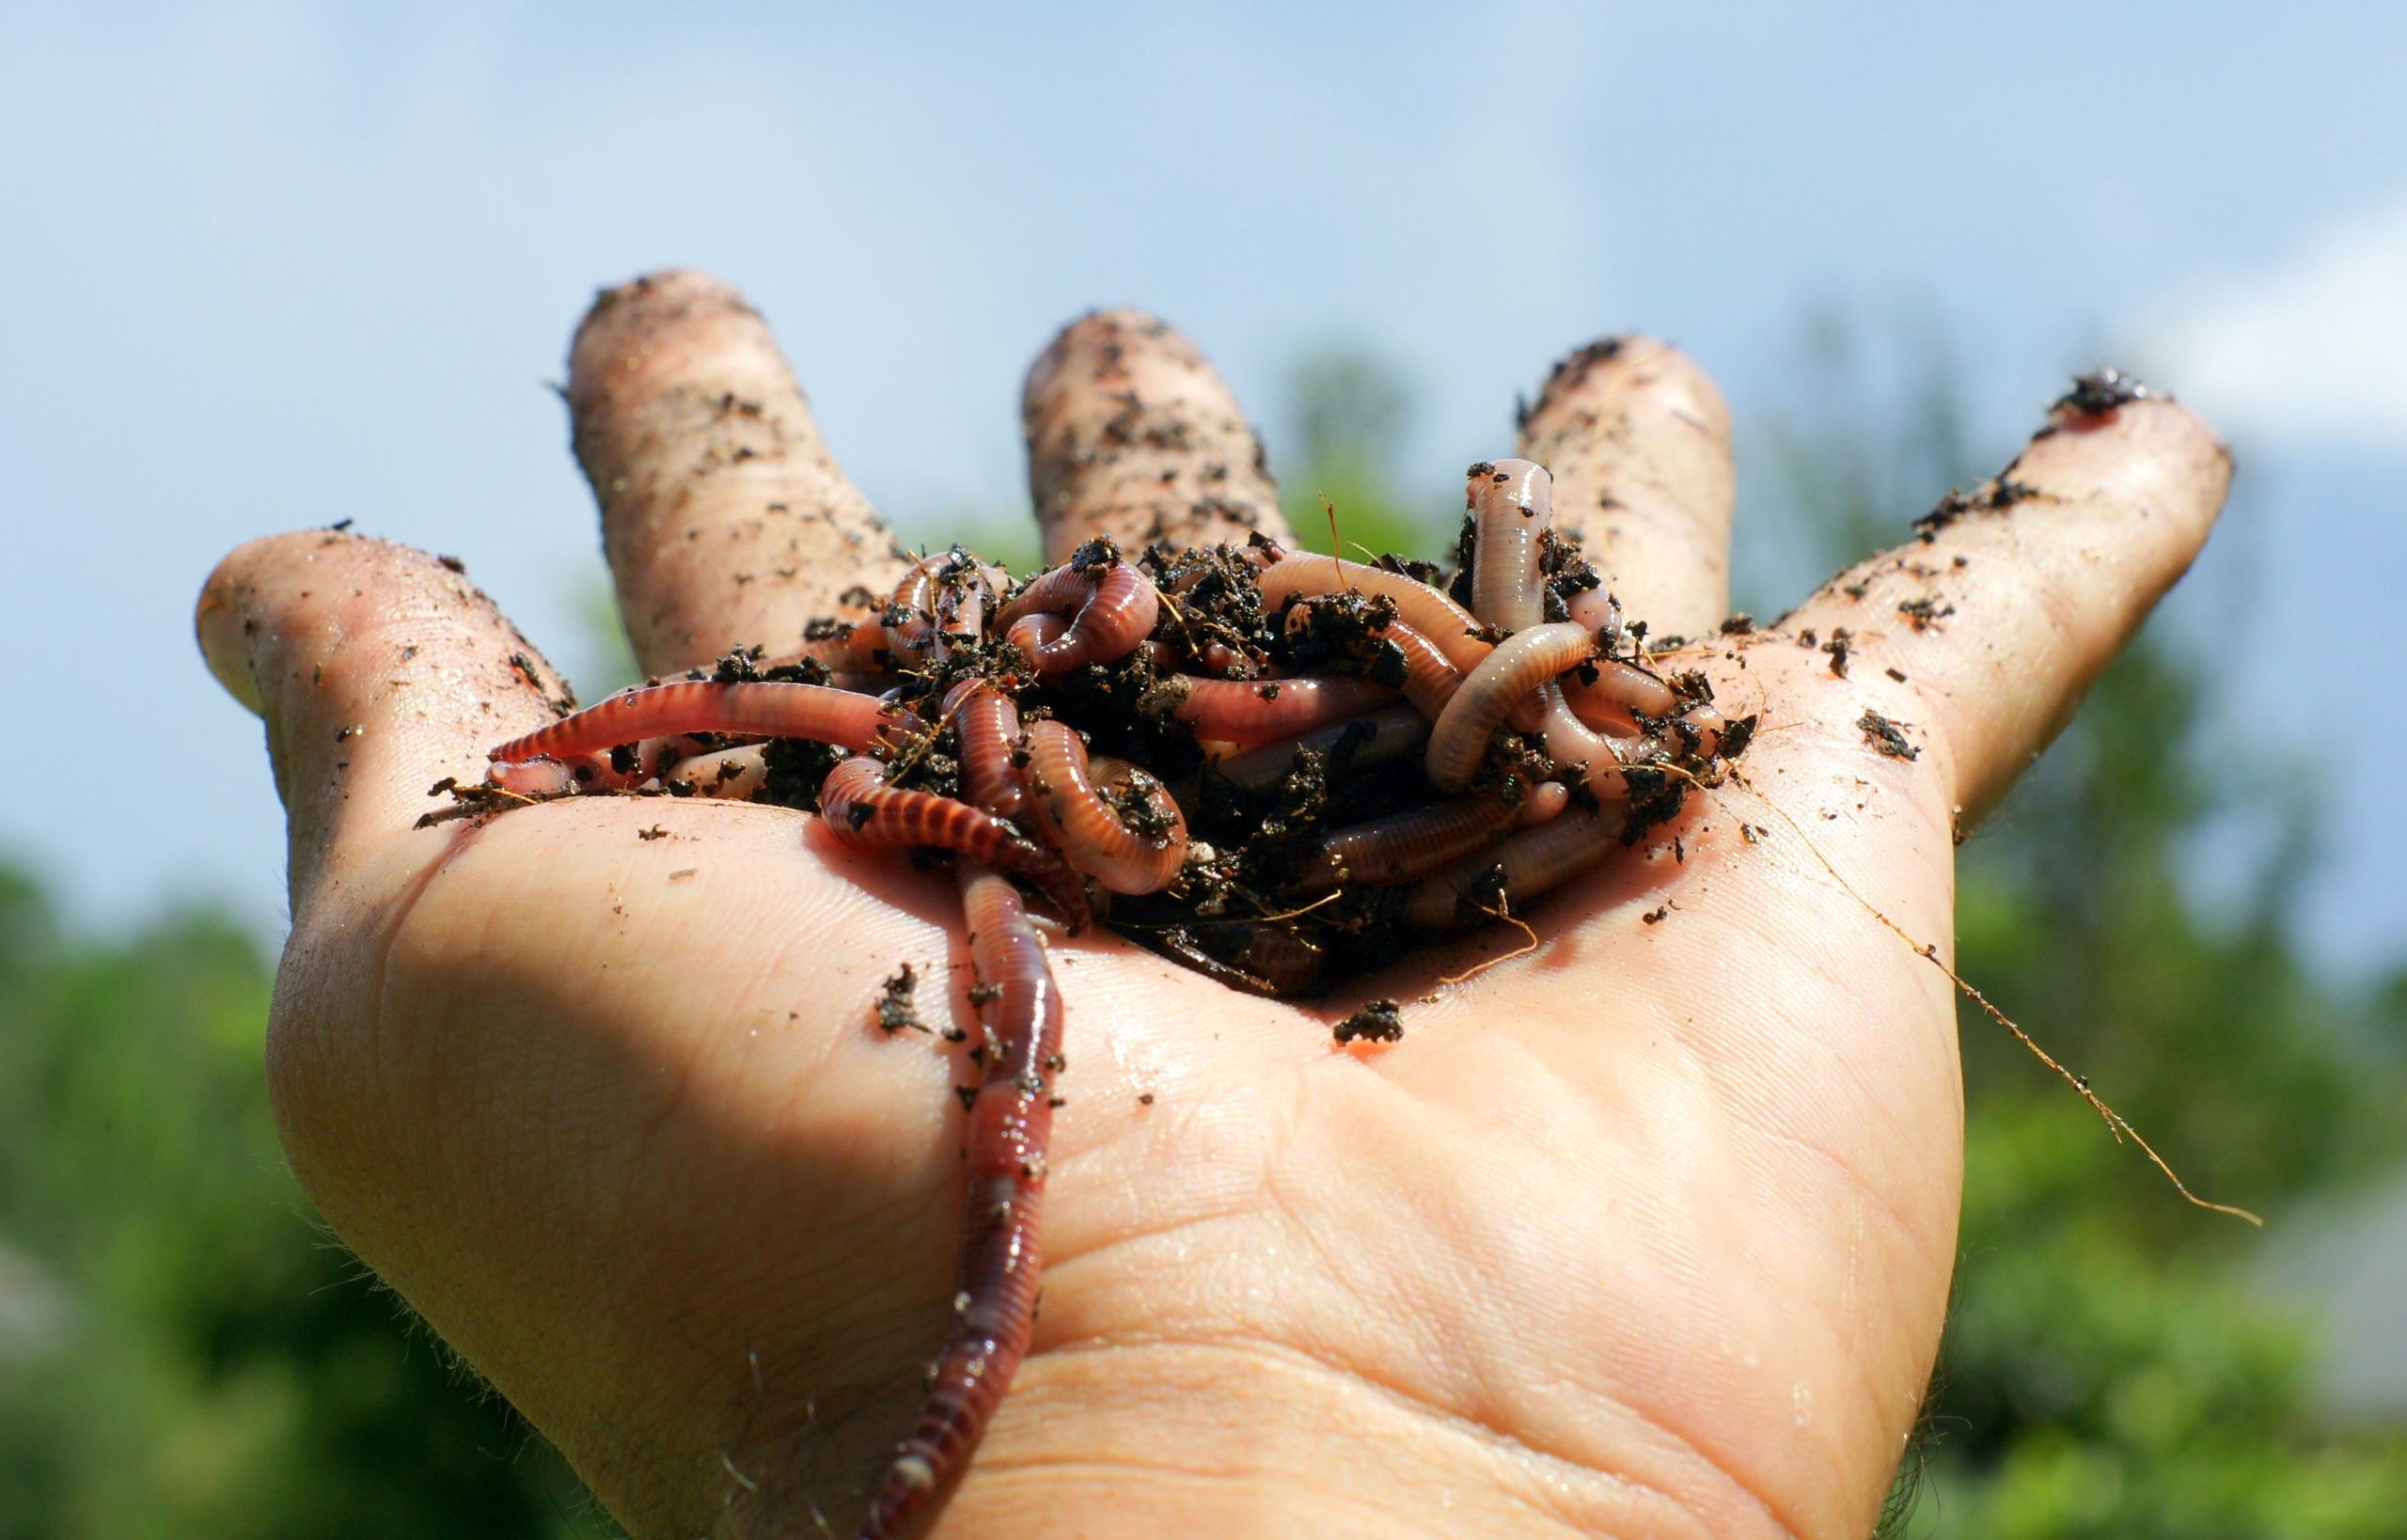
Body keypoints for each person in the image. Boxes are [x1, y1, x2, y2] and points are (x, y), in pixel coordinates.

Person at [195, 271, 2232, 1537]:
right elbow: (1032, 774)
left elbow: (1435, 740)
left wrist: (935, 1441)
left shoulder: (1519, 744)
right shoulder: (1011, 764)